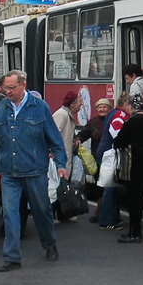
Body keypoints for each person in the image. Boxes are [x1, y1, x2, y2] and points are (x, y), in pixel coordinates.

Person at [0, 69, 65, 271]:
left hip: (34, 171)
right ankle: (12, 257)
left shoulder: (39, 107)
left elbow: (54, 137)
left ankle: (49, 245)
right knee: (10, 214)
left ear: (23, 85)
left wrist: (61, 164)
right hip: (9, 172)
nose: (7, 91)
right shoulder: (2, 108)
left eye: (11, 87)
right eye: (4, 87)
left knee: (42, 211)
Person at [113, 93, 143, 244]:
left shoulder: (133, 121)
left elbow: (120, 141)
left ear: (131, 106)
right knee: (139, 198)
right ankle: (135, 232)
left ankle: (134, 233)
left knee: (133, 200)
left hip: (135, 165)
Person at [94, 93, 129, 228]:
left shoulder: (113, 112)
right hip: (110, 154)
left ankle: (112, 218)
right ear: (125, 104)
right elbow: (116, 132)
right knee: (110, 187)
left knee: (111, 186)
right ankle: (107, 220)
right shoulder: (120, 115)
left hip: (105, 151)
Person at [51, 90, 83, 222]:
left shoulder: (68, 114)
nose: (81, 104)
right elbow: (53, 134)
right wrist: (53, 152)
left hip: (65, 155)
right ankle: (53, 215)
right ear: (72, 105)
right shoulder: (62, 114)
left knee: (63, 185)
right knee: (55, 186)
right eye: (79, 101)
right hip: (58, 156)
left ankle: (63, 213)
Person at [76, 96, 111, 220]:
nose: (102, 109)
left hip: (111, 159)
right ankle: (100, 212)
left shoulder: (112, 120)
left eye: (105, 107)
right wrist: (78, 140)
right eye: (100, 107)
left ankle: (101, 213)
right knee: (100, 186)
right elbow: (84, 133)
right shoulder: (93, 122)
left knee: (109, 186)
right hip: (98, 160)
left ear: (109, 109)